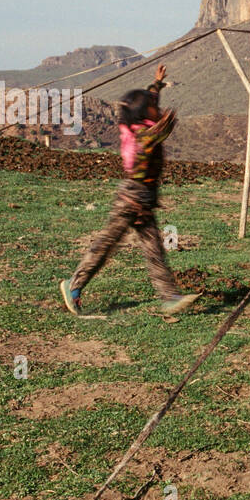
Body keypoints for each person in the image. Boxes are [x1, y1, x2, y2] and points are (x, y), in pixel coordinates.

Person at [60, 64, 199, 316]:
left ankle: (169, 297)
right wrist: (137, 203)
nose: (156, 108)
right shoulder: (142, 137)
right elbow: (140, 167)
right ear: (143, 114)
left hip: (142, 199)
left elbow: (151, 105)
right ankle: (73, 285)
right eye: (151, 107)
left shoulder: (141, 124)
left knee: (153, 247)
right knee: (107, 244)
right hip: (132, 199)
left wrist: (156, 84)